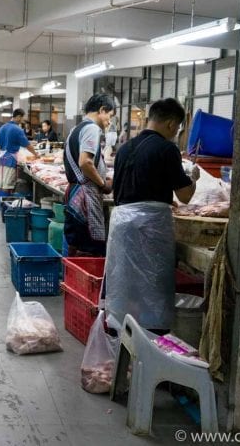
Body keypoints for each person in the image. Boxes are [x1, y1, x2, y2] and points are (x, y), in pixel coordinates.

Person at [105, 98, 200, 333]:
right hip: (150, 226)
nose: (176, 133)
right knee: (153, 283)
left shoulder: (125, 147)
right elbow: (185, 195)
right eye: (178, 128)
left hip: (121, 224)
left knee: (124, 283)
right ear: (170, 124)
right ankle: (152, 337)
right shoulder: (167, 149)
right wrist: (194, 178)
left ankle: (120, 332)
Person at [62, 94, 115, 257]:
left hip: (76, 194)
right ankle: (83, 281)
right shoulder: (92, 129)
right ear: (102, 110)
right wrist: (102, 184)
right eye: (109, 116)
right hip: (85, 197)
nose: (109, 122)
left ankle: (72, 279)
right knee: (89, 250)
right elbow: (85, 162)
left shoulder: (76, 129)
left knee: (76, 244)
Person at [0, 108, 38, 194]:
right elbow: (27, 145)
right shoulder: (17, 129)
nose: (23, 120)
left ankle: (0, 204)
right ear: (18, 117)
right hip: (10, 160)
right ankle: (5, 206)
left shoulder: (2, 127)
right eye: (22, 118)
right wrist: (35, 154)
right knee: (7, 185)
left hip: (2, 159)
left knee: (1, 183)